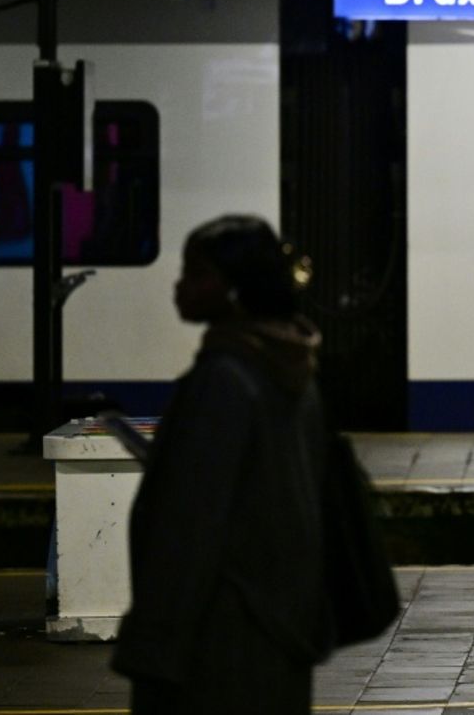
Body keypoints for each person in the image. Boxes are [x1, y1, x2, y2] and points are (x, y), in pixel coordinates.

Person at [112, 215, 332, 713]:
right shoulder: (293, 369)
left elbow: (189, 528)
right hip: (276, 635)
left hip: (213, 648)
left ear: (233, 289)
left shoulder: (224, 381)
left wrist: (153, 650)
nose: (179, 285)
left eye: (195, 273)